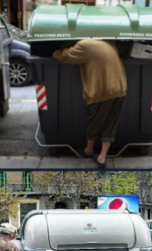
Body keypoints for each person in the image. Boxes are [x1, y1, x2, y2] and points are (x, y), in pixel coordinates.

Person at [53, 39, 127, 168]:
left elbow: (66, 56)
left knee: (95, 121)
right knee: (110, 124)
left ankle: (89, 150)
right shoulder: (109, 43)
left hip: (102, 90)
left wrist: (55, 51)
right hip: (120, 88)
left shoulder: (84, 45)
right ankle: (102, 157)